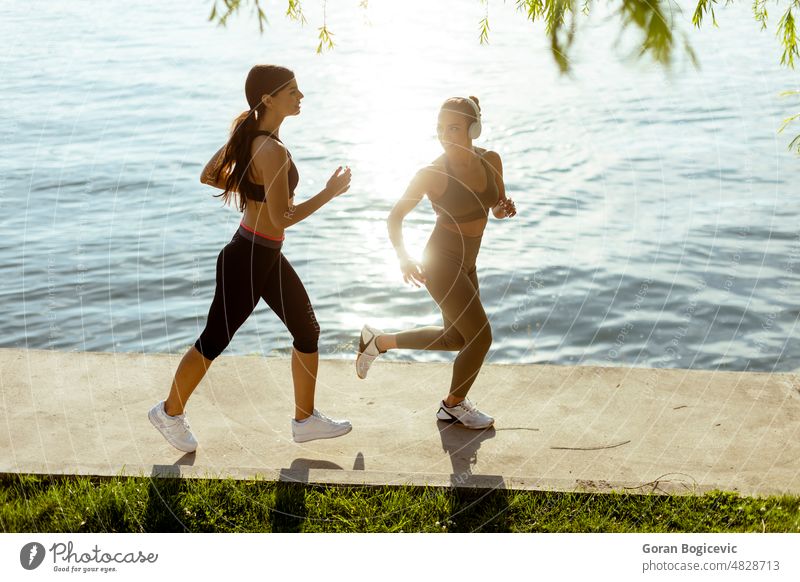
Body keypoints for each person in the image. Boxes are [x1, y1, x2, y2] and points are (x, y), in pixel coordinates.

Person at [149, 65, 354, 451]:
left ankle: (305, 419)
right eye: (292, 91)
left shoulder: (256, 138)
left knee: (307, 330)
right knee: (214, 340)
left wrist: (252, 189)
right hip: (247, 257)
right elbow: (283, 218)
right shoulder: (271, 149)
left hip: (265, 254)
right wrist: (329, 193)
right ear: (268, 99)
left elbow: (209, 175)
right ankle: (168, 412)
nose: (301, 96)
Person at [355, 96, 516, 429]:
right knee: (481, 337)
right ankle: (452, 405)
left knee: (455, 338)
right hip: (441, 264)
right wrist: (403, 257)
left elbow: (495, 207)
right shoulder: (431, 174)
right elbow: (395, 216)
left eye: (454, 128)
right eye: (440, 129)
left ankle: (378, 342)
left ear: (475, 129)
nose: (445, 135)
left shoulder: (491, 161)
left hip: (468, 263)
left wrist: (504, 209)